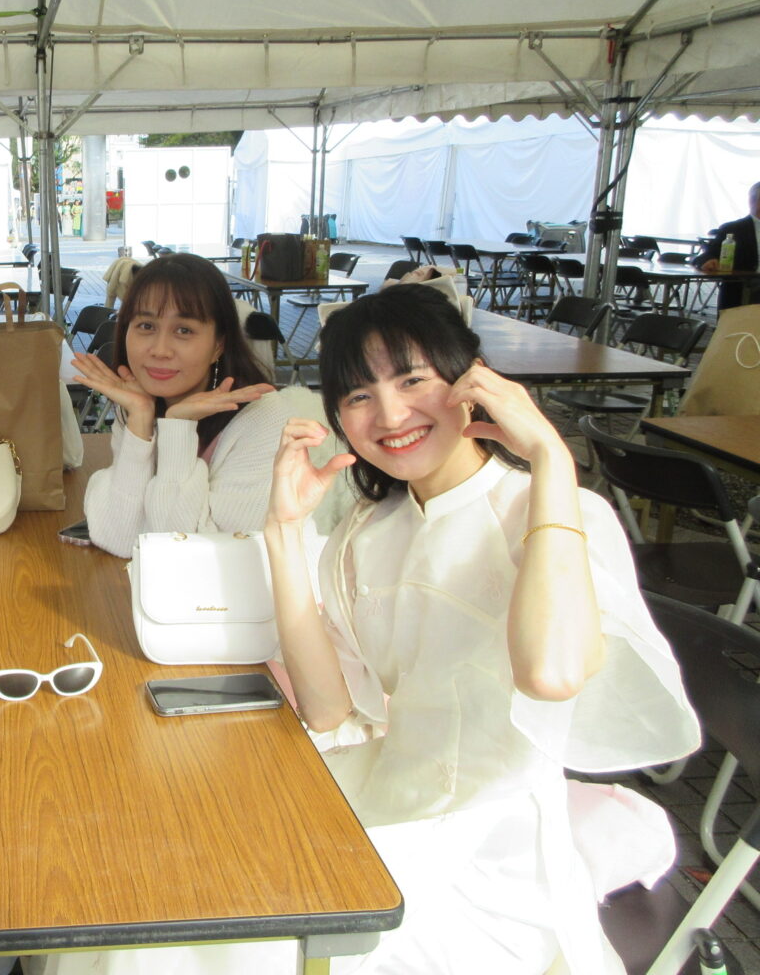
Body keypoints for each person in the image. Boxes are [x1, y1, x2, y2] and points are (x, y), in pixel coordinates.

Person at [263, 284, 699, 973]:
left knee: (262, 941)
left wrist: (551, 456)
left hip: (495, 853)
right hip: (388, 803)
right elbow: (326, 709)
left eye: (412, 380)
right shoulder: (365, 533)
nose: (391, 415)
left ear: (475, 382)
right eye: (359, 395)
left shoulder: (557, 511)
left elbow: (550, 675)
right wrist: (284, 532)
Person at [73, 252, 345, 558]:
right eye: (146, 326)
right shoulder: (141, 405)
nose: (160, 350)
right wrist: (139, 421)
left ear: (218, 345)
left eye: (184, 330)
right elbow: (119, 538)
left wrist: (178, 427)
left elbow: (184, 555)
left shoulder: (266, 420)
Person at [693, 179, 759, 310]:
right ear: (753, 201)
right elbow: (706, 255)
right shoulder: (734, 229)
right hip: (746, 283)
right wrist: (707, 261)